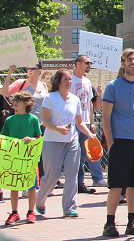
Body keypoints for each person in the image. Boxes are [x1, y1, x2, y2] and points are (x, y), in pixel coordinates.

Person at [101, 49, 134, 237]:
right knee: (116, 184)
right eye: (129, 60)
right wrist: (111, 142)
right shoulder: (113, 86)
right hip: (120, 142)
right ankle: (109, 223)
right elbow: (106, 117)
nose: (133, 62)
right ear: (123, 63)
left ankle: (132, 222)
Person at [37, 70, 95, 218]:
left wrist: (89, 134)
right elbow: (45, 121)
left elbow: (79, 122)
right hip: (52, 140)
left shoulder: (75, 99)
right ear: (58, 82)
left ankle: (69, 208)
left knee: (72, 174)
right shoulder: (50, 98)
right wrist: (57, 128)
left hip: (72, 140)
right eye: (65, 80)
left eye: (70, 80)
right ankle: (40, 200)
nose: (69, 82)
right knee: (53, 175)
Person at [3, 90, 41, 224]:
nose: (14, 102)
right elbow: (5, 138)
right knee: (14, 186)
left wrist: (31, 139)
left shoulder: (33, 119)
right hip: (14, 158)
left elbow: (38, 137)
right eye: (14, 100)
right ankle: (14, 213)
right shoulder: (9, 120)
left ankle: (31, 212)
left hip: (29, 158)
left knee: (31, 186)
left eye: (17, 100)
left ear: (27, 103)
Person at [71, 55, 105, 193]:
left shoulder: (87, 81)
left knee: (90, 151)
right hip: (73, 123)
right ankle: (79, 182)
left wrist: (91, 122)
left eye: (91, 62)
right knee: (76, 154)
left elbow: (91, 104)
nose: (90, 65)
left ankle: (95, 178)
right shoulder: (70, 80)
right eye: (87, 63)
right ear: (78, 64)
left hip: (85, 122)